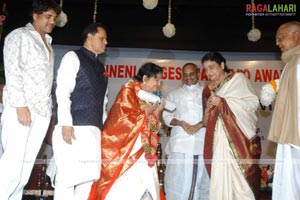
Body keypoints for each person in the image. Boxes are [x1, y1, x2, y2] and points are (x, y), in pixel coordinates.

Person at [0, 0, 61, 199]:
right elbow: (13, 70)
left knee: (24, 172)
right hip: (21, 110)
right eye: (48, 17)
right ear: (35, 15)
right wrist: (20, 105)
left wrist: (49, 112)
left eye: (54, 18)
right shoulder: (19, 36)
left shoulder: (48, 45)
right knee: (12, 166)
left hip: (41, 114)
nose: (52, 21)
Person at [88, 62, 165, 200]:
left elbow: (153, 129)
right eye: (157, 79)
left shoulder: (150, 98)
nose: (158, 84)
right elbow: (122, 121)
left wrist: (157, 113)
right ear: (145, 78)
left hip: (144, 151)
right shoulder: (128, 91)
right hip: (126, 150)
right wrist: (147, 112)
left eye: (160, 80)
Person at [50, 22, 109, 200]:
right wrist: (66, 123)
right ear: (89, 37)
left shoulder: (101, 68)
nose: (106, 42)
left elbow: (103, 102)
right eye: (102, 38)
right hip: (73, 128)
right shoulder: (72, 57)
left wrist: (102, 129)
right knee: (67, 179)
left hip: (93, 131)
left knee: (88, 180)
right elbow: (62, 91)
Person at [201, 52, 261, 200]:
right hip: (219, 144)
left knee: (240, 184)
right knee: (220, 179)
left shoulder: (237, 79)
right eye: (206, 69)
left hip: (238, 140)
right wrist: (209, 108)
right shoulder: (208, 90)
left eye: (212, 67)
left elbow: (252, 104)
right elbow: (205, 122)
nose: (209, 73)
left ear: (222, 65)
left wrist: (224, 103)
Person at [162, 63, 209, 200]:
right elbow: (167, 117)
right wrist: (180, 123)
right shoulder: (174, 94)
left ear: (198, 74)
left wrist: (199, 125)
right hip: (179, 144)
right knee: (176, 181)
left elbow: (212, 115)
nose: (188, 77)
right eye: (185, 74)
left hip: (200, 143)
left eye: (191, 74)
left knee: (198, 182)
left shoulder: (206, 93)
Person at [267, 21, 300, 200]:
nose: (278, 43)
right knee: (289, 183)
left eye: (281, 38)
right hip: (291, 136)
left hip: (297, 134)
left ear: (296, 36)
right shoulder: (291, 63)